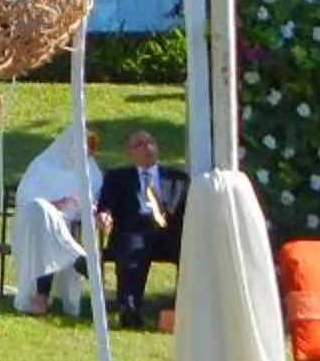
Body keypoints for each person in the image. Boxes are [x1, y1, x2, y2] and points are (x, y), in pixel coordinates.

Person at [96, 129, 188, 331]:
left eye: (150, 142)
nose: (147, 148)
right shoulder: (118, 178)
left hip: (168, 231)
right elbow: (105, 205)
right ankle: (129, 309)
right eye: (139, 144)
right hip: (134, 229)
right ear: (129, 153)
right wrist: (104, 215)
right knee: (131, 248)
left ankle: (184, 310)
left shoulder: (177, 179)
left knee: (190, 248)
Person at [10, 123, 101, 317]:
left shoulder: (90, 173)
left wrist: (84, 207)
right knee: (41, 209)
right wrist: (55, 203)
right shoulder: (42, 165)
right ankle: (75, 257)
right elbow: (25, 199)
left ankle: (41, 297)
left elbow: (95, 202)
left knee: (47, 227)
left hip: (67, 226)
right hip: (29, 223)